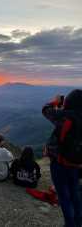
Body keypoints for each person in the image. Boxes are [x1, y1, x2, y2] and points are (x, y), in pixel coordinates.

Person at [42, 90, 82, 227]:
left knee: (64, 196)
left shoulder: (65, 117)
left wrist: (56, 102)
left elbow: (46, 110)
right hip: (77, 165)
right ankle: (78, 221)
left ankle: (70, 224)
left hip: (60, 164)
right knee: (75, 194)